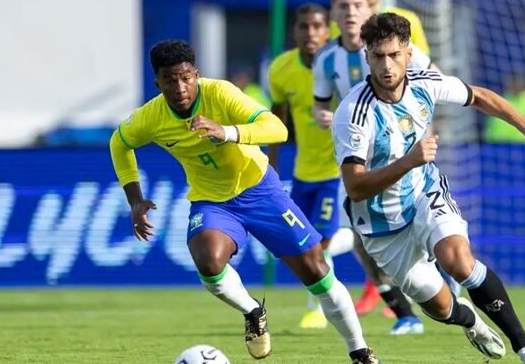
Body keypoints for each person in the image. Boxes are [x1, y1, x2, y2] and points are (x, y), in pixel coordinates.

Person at [109, 40, 382, 364]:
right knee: (208, 263)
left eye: (186, 77)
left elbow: (277, 129)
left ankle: (359, 350)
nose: (180, 87)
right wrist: (135, 200)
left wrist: (226, 132)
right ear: (158, 83)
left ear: (197, 74)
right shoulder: (151, 117)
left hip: (260, 190)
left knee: (317, 271)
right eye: (170, 80)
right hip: (212, 201)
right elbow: (119, 143)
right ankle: (253, 310)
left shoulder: (221, 93)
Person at [332, 13, 525, 363]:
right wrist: (409, 161)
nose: (387, 65)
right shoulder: (353, 113)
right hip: (381, 224)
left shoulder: (425, 83)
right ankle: (471, 321)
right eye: (378, 56)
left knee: (459, 261)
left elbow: (478, 96)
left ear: (408, 54)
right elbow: (354, 187)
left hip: (423, 193)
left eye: (395, 55)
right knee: (442, 306)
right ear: (366, 55)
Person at [313, 0, 428, 335]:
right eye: (343, 7)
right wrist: (324, 117)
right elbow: (320, 104)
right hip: (355, 160)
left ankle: (452, 282)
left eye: (357, 6)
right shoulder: (327, 59)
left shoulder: (397, 50)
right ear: (334, 15)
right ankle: (405, 313)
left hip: (405, 155)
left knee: (425, 227)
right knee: (362, 237)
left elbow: (430, 85)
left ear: (369, 10)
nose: (350, 13)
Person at [266, 3, 338, 329]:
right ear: (295, 31)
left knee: (319, 243)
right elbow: (276, 121)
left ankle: (318, 307)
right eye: (303, 26)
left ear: (328, 30)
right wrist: (271, 167)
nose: (310, 32)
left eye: (317, 26)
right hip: (303, 172)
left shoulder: (341, 64)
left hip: (340, 170)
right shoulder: (281, 70)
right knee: (309, 243)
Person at [485, 73, 525, 142]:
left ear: (523, 85)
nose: (513, 86)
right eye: (511, 83)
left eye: (516, 83)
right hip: (496, 145)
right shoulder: (501, 99)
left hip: (520, 146)